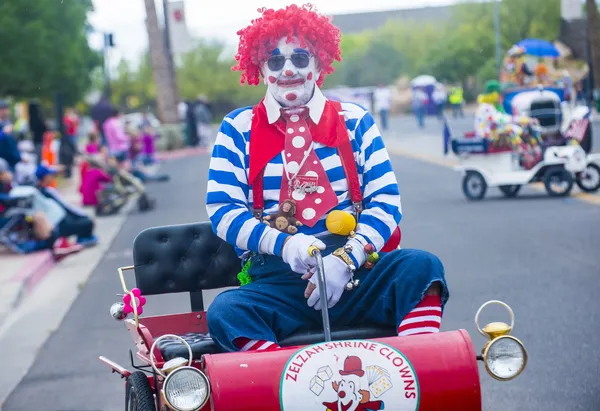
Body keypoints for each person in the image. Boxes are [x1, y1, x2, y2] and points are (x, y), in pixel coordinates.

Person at [205, 4, 448, 353]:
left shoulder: (354, 120)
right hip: (277, 284)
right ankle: (284, 386)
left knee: (422, 268)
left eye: (300, 58)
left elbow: (386, 202)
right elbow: (224, 212)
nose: (288, 69)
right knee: (227, 312)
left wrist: (346, 260)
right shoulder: (237, 129)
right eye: (275, 61)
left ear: (319, 63)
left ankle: (418, 369)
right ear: (260, 68)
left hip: (356, 274)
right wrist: (287, 245)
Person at [36, 165, 98, 247]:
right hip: (58, 225)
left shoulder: (38, 191)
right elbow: (67, 207)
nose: (52, 177)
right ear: (46, 177)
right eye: (51, 175)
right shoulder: (48, 192)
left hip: (54, 224)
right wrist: (84, 215)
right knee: (87, 222)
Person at [0, 100, 21, 169]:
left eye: (5, 109)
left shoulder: (9, 122)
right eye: (2, 109)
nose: (4, 111)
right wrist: (3, 132)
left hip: (13, 160)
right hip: (3, 161)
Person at [28, 100, 48, 164]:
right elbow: (44, 128)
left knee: (37, 156)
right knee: (38, 156)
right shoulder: (38, 118)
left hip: (35, 139)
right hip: (39, 139)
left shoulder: (31, 118)